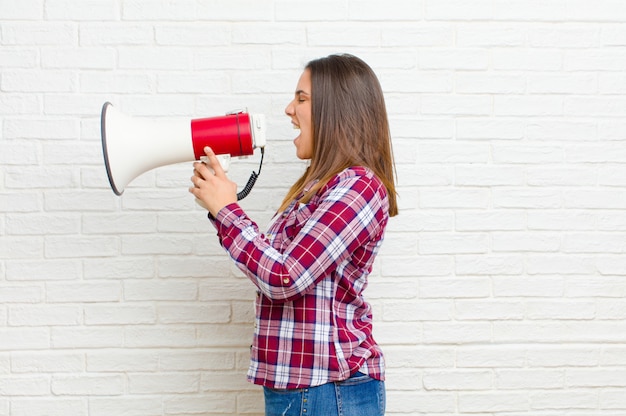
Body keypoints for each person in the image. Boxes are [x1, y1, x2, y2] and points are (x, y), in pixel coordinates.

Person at [189, 53, 398, 416]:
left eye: (301, 98)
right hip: (303, 386)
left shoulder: (358, 187)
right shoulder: (318, 188)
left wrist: (227, 210)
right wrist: (221, 207)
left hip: (328, 388)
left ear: (337, 110)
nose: (289, 109)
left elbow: (285, 277)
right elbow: (275, 263)